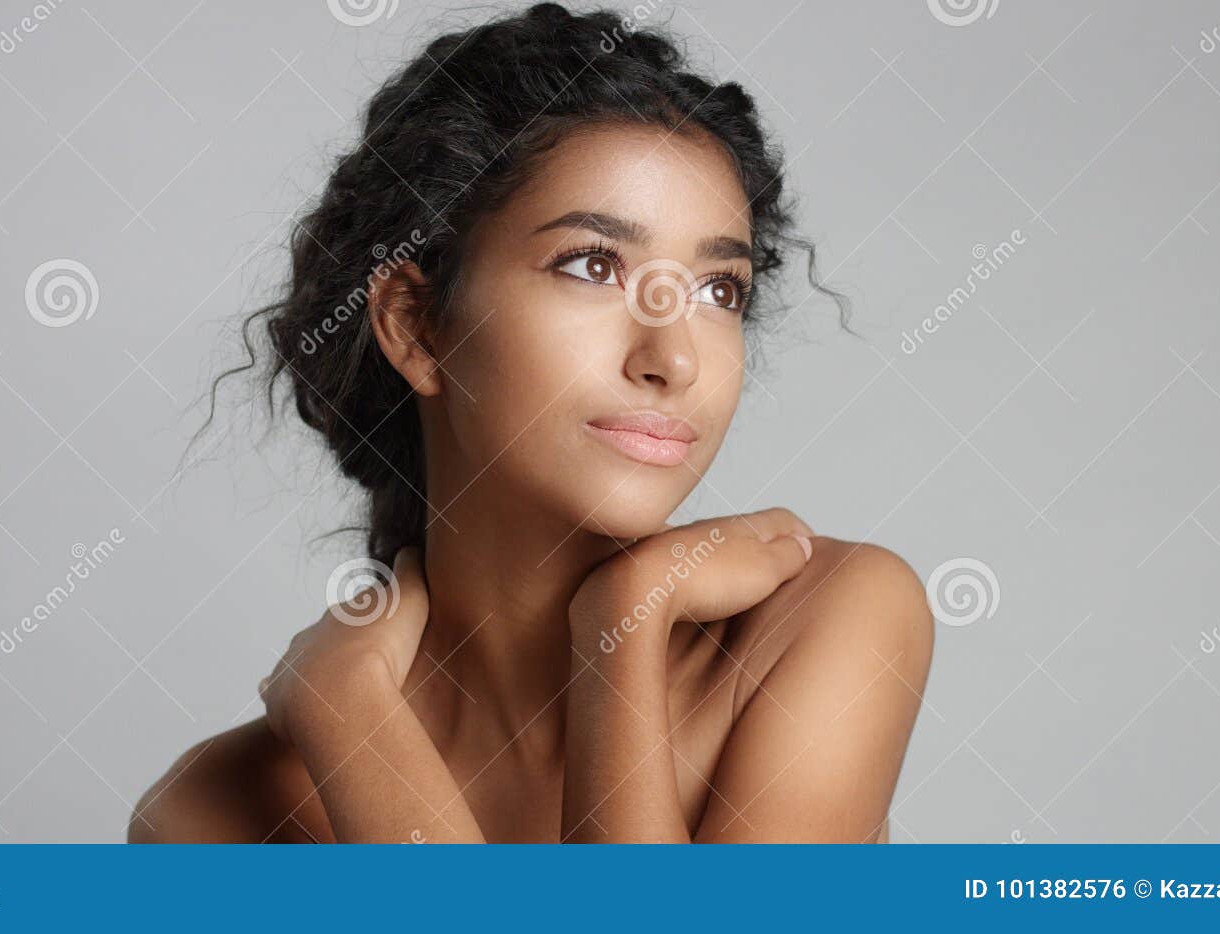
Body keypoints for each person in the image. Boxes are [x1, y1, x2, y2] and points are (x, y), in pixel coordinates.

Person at [131, 2, 933, 844]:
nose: (675, 359)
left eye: (718, 289)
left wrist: (620, 626)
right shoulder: (214, 818)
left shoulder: (831, 621)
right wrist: (352, 718)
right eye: (593, 266)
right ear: (416, 324)